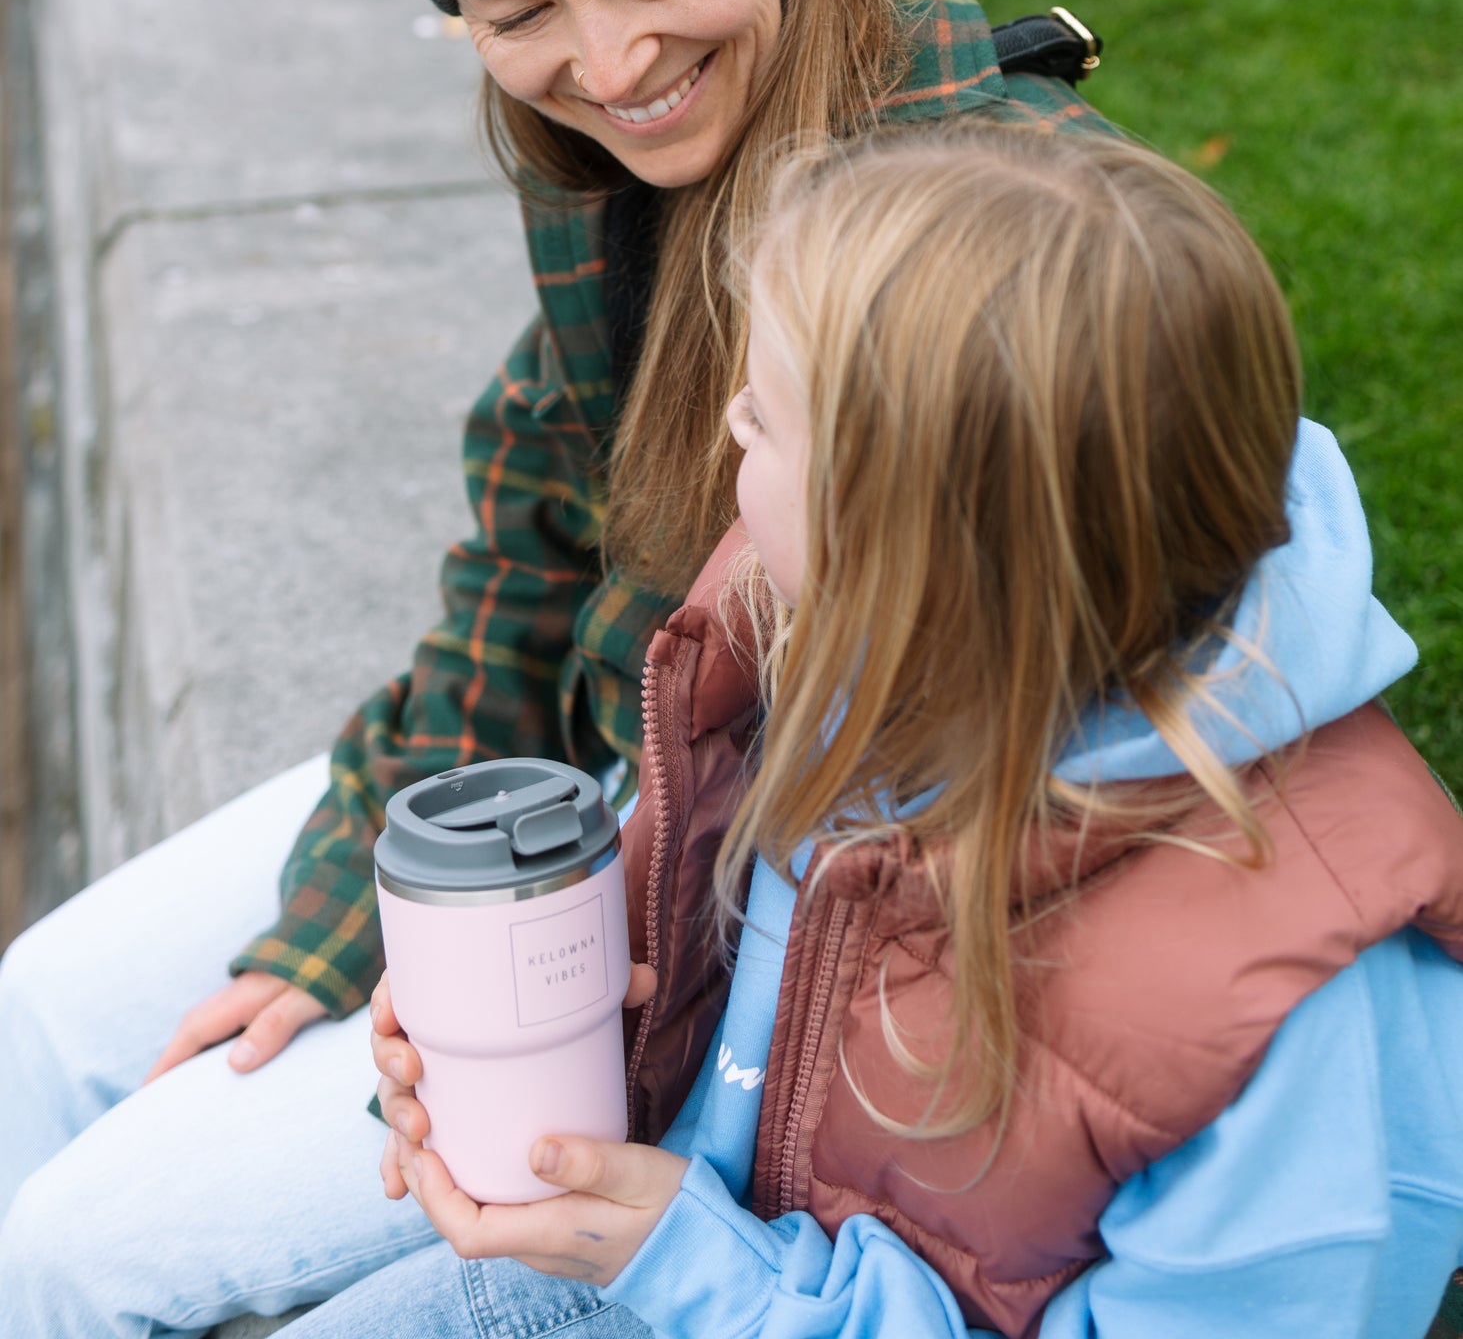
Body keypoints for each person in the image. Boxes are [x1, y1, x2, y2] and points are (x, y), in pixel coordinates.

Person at [0, 0, 1108, 1334]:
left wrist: (547, 982)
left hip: (722, 930)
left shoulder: (971, 241)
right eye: (512, 8)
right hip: (563, 802)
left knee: (68, 1259)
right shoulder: (602, 161)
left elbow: (998, 835)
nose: (603, 65)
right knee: (40, 1008)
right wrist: (346, 907)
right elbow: (526, 546)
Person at [307, 124, 1463, 1339]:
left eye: (756, 420)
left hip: (730, 1289)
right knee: (93, 1267)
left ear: (901, 536)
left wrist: (701, 1273)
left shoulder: (1295, 1016)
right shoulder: (856, 642)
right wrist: (575, 1011)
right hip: (689, 1242)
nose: (725, 439)